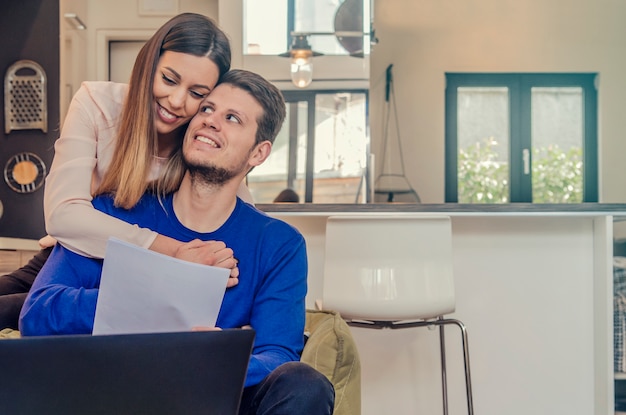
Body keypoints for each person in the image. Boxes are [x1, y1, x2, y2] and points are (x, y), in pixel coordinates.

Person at [20, 69, 335, 414]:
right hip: (119, 392)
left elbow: (278, 353)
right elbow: (38, 313)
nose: (211, 121)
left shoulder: (278, 243)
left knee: (305, 384)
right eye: (206, 109)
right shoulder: (115, 212)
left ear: (258, 153)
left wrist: (221, 355)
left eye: (232, 118)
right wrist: (148, 303)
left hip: (215, 395)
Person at [0, 13, 245, 330]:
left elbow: (241, 218)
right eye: (169, 79)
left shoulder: (202, 139)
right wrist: (174, 252)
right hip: (73, 260)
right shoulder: (97, 103)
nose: (176, 101)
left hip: (138, 277)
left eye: (198, 93)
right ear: (148, 66)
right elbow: (63, 216)